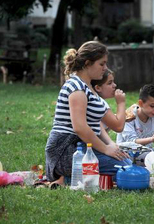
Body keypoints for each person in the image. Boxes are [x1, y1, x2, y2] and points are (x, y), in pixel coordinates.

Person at [45, 41, 130, 185]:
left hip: (84, 146)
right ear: (87, 63)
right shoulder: (76, 87)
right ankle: (65, 179)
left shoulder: (88, 87)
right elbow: (80, 128)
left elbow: (113, 125)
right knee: (125, 168)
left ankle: (71, 178)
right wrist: (105, 149)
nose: (105, 68)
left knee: (127, 162)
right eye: (101, 64)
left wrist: (110, 145)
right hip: (67, 150)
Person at [117, 84, 154, 152]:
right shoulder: (129, 116)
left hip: (146, 153)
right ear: (141, 103)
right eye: (152, 106)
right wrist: (151, 139)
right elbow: (131, 142)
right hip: (126, 156)